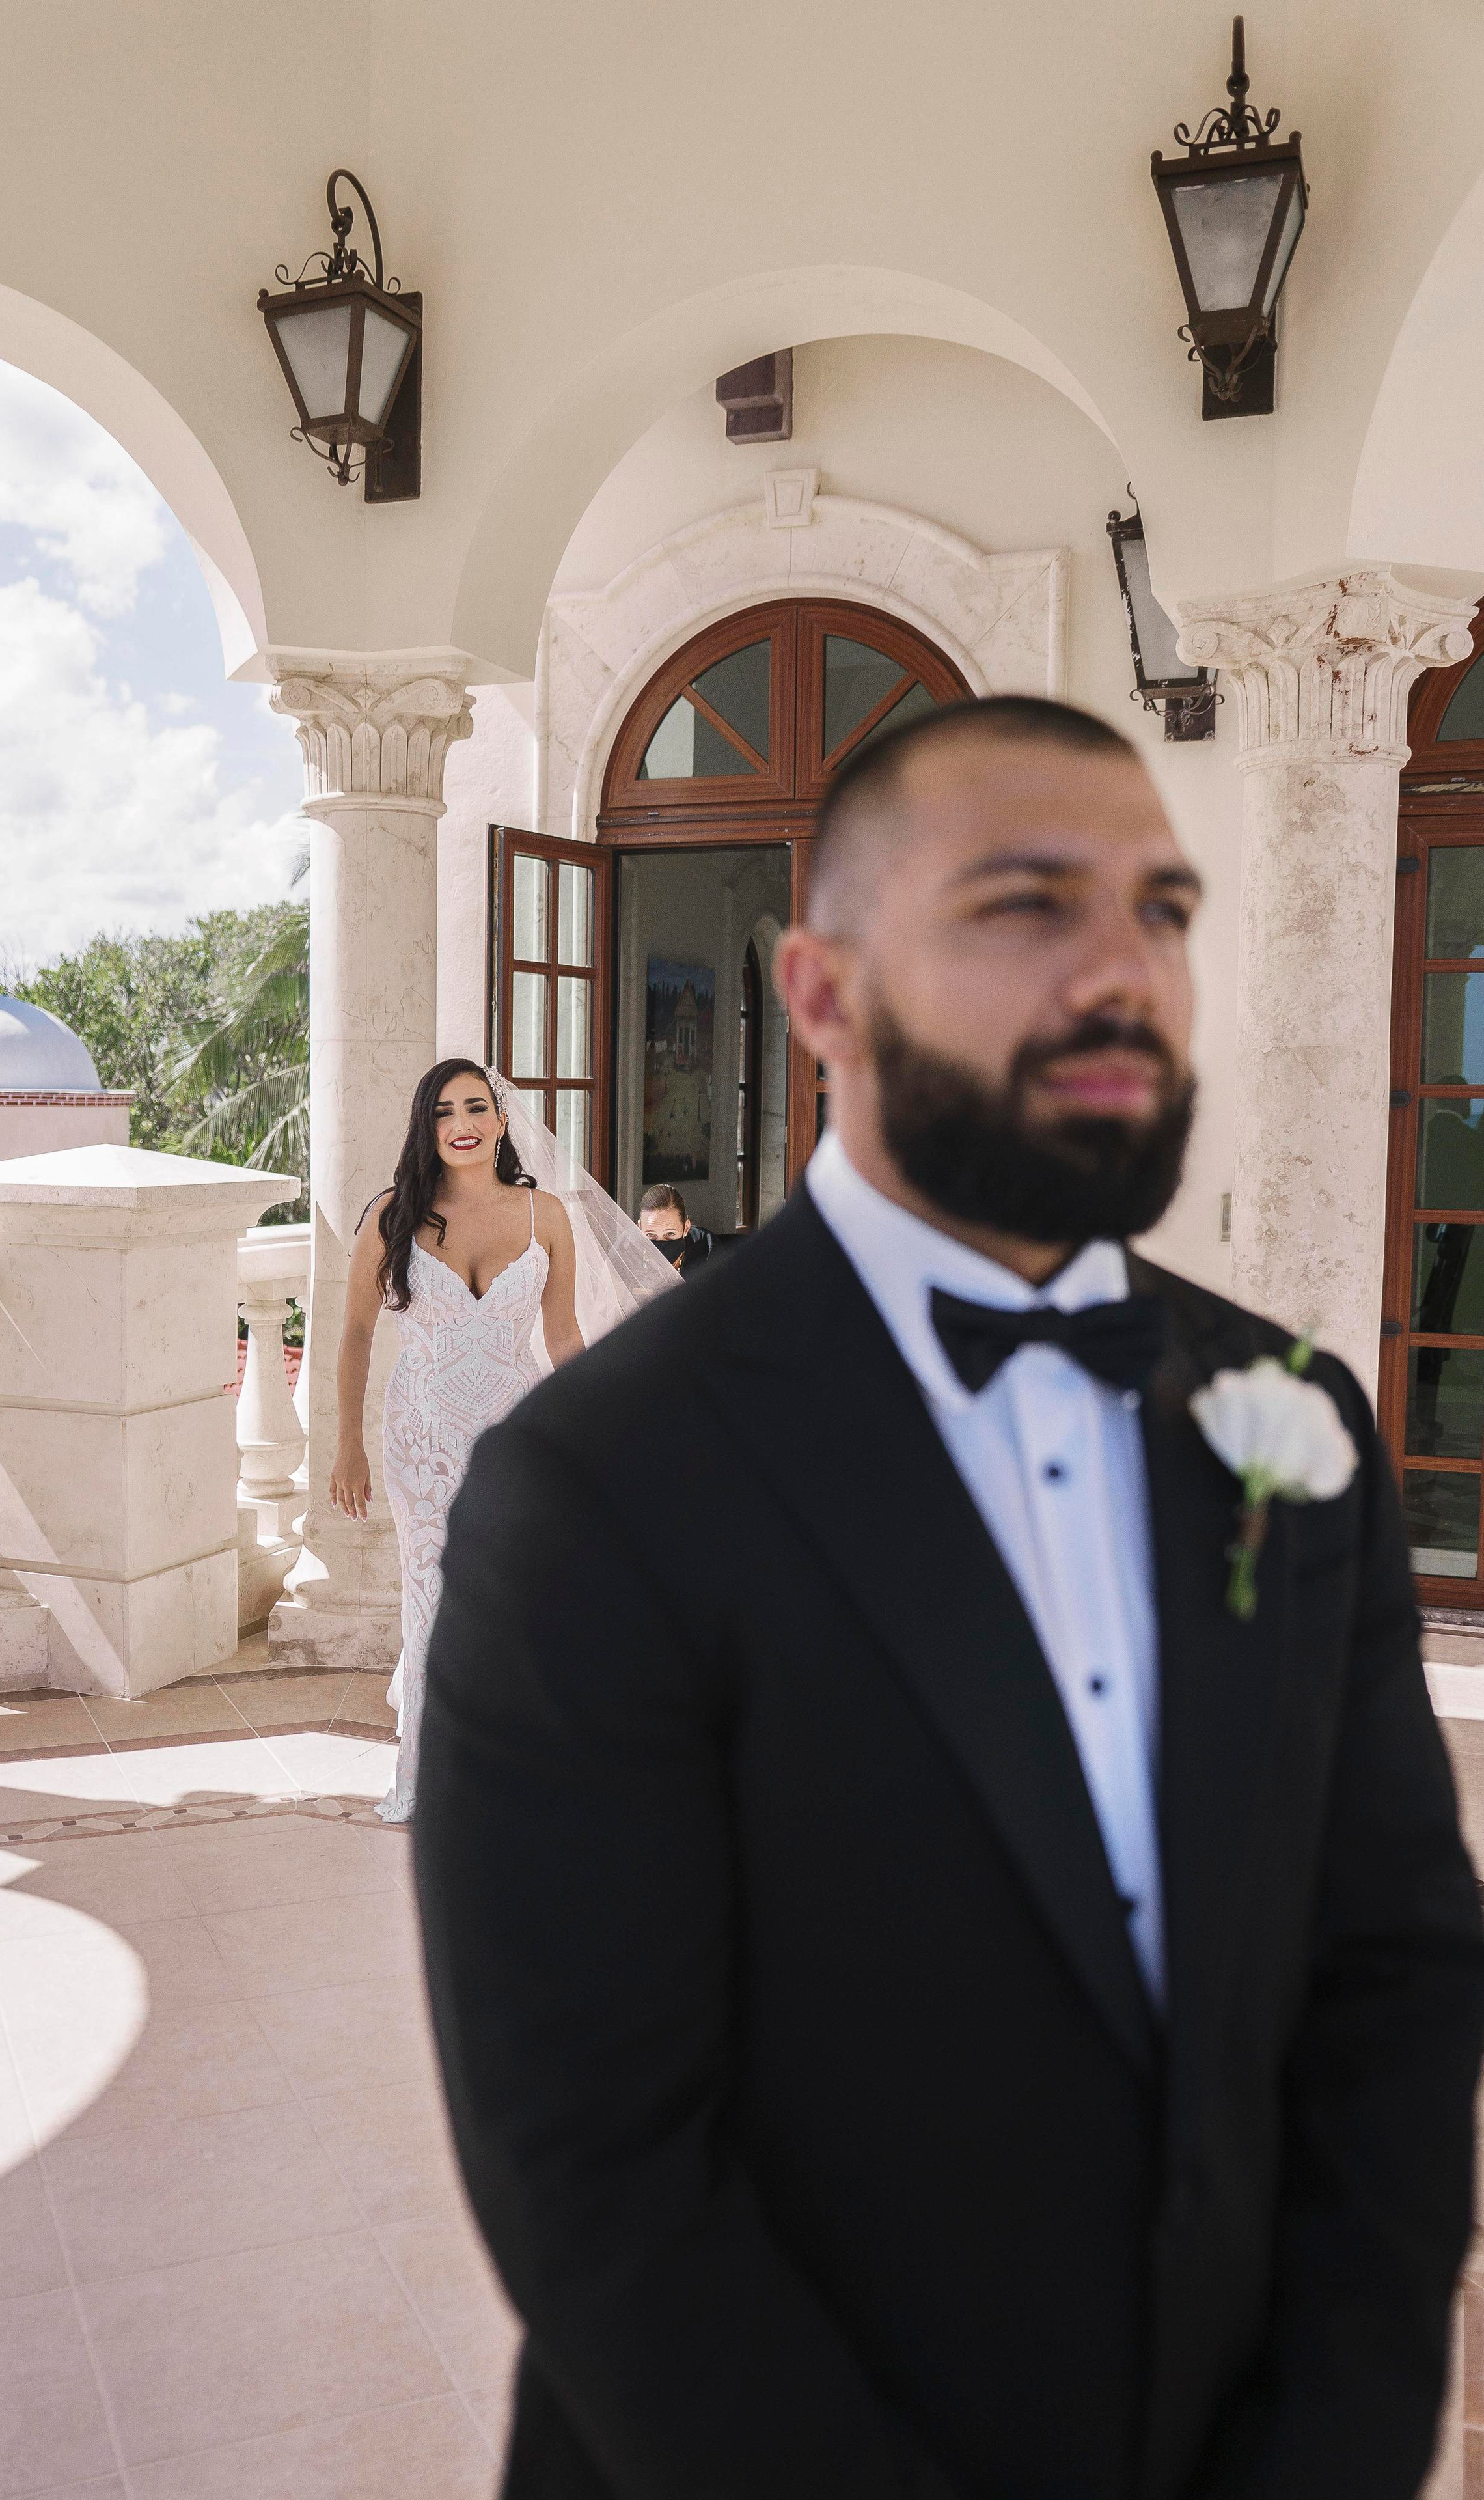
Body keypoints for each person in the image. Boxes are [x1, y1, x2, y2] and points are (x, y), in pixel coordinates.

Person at [415, 698, 1484, 2499]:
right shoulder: (594, 1489)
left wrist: (1324, 2457)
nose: (1123, 969)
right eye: (1024, 905)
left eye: (1158, 911)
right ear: (822, 994)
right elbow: (596, 2169)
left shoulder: (1290, 1420)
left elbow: (1393, 1977)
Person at [330, 1058, 673, 1826]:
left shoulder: (544, 1214)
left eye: (475, 1107)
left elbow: (564, 1337)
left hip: (515, 1434)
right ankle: (429, 1776)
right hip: (421, 1437)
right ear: (427, 1127)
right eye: (444, 1112)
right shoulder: (392, 1215)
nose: (462, 1124)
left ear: (501, 1120)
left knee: (523, 1595)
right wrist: (347, 1442)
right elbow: (354, 1334)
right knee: (431, 1596)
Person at [637, 1182, 717, 1273]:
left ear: (686, 1228)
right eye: (650, 1235)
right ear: (640, 1228)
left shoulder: (706, 1247)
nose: (660, 1246)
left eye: (670, 1234)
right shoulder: (627, 1251)